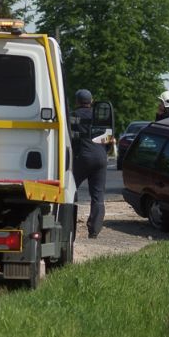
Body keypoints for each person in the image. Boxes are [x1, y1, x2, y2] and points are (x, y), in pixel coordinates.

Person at [71, 89, 108, 239]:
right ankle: (94, 231)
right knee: (98, 196)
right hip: (101, 157)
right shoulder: (100, 115)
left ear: (77, 102)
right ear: (91, 101)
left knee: (70, 190)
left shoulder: (73, 116)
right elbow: (108, 138)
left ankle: (67, 225)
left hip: (82, 158)